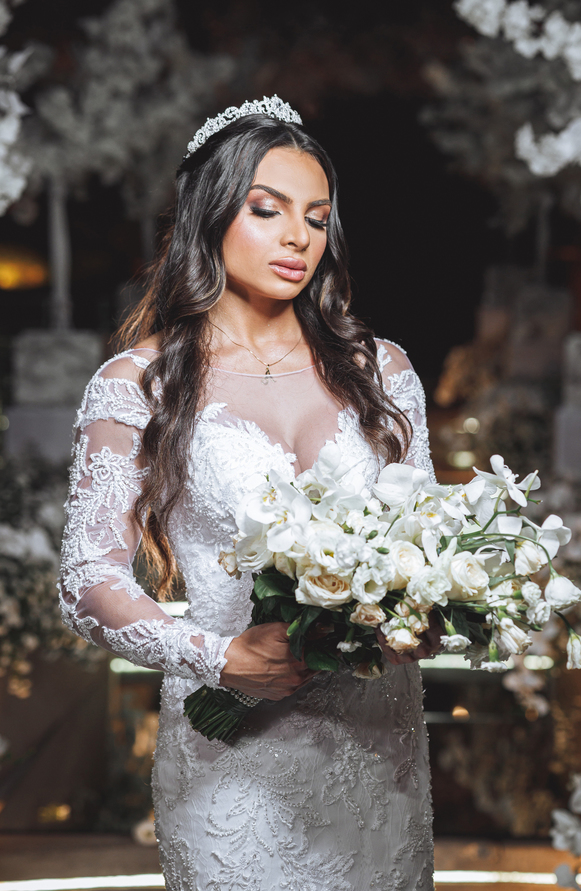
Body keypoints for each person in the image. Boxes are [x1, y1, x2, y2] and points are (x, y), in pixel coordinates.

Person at [58, 97, 439, 890]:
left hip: (377, 746)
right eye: (267, 210)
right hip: (230, 758)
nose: (299, 236)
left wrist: (425, 620)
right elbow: (86, 581)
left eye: (317, 215)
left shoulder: (384, 372)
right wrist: (219, 656)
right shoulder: (140, 384)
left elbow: (423, 547)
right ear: (210, 216)